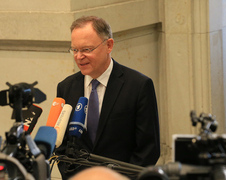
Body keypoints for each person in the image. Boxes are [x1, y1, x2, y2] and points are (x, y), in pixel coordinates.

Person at [55, 15, 160, 179]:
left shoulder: (139, 86)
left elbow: (148, 149)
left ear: (109, 45)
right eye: (75, 49)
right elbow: (61, 146)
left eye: (86, 49)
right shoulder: (66, 88)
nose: (79, 56)